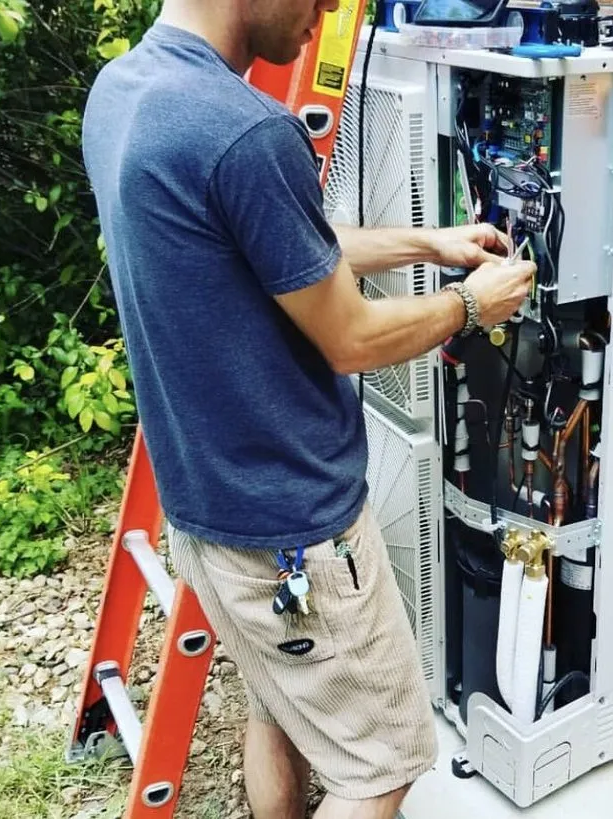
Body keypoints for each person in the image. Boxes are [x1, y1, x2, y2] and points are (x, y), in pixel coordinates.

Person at [81, 1, 535, 817]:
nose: (329, 8)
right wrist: (473, 304)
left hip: (207, 517)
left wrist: (429, 242)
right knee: (380, 768)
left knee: (279, 704)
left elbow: (280, 244)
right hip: (294, 534)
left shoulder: (123, 92)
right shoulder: (245, 130)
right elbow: (351, 337)